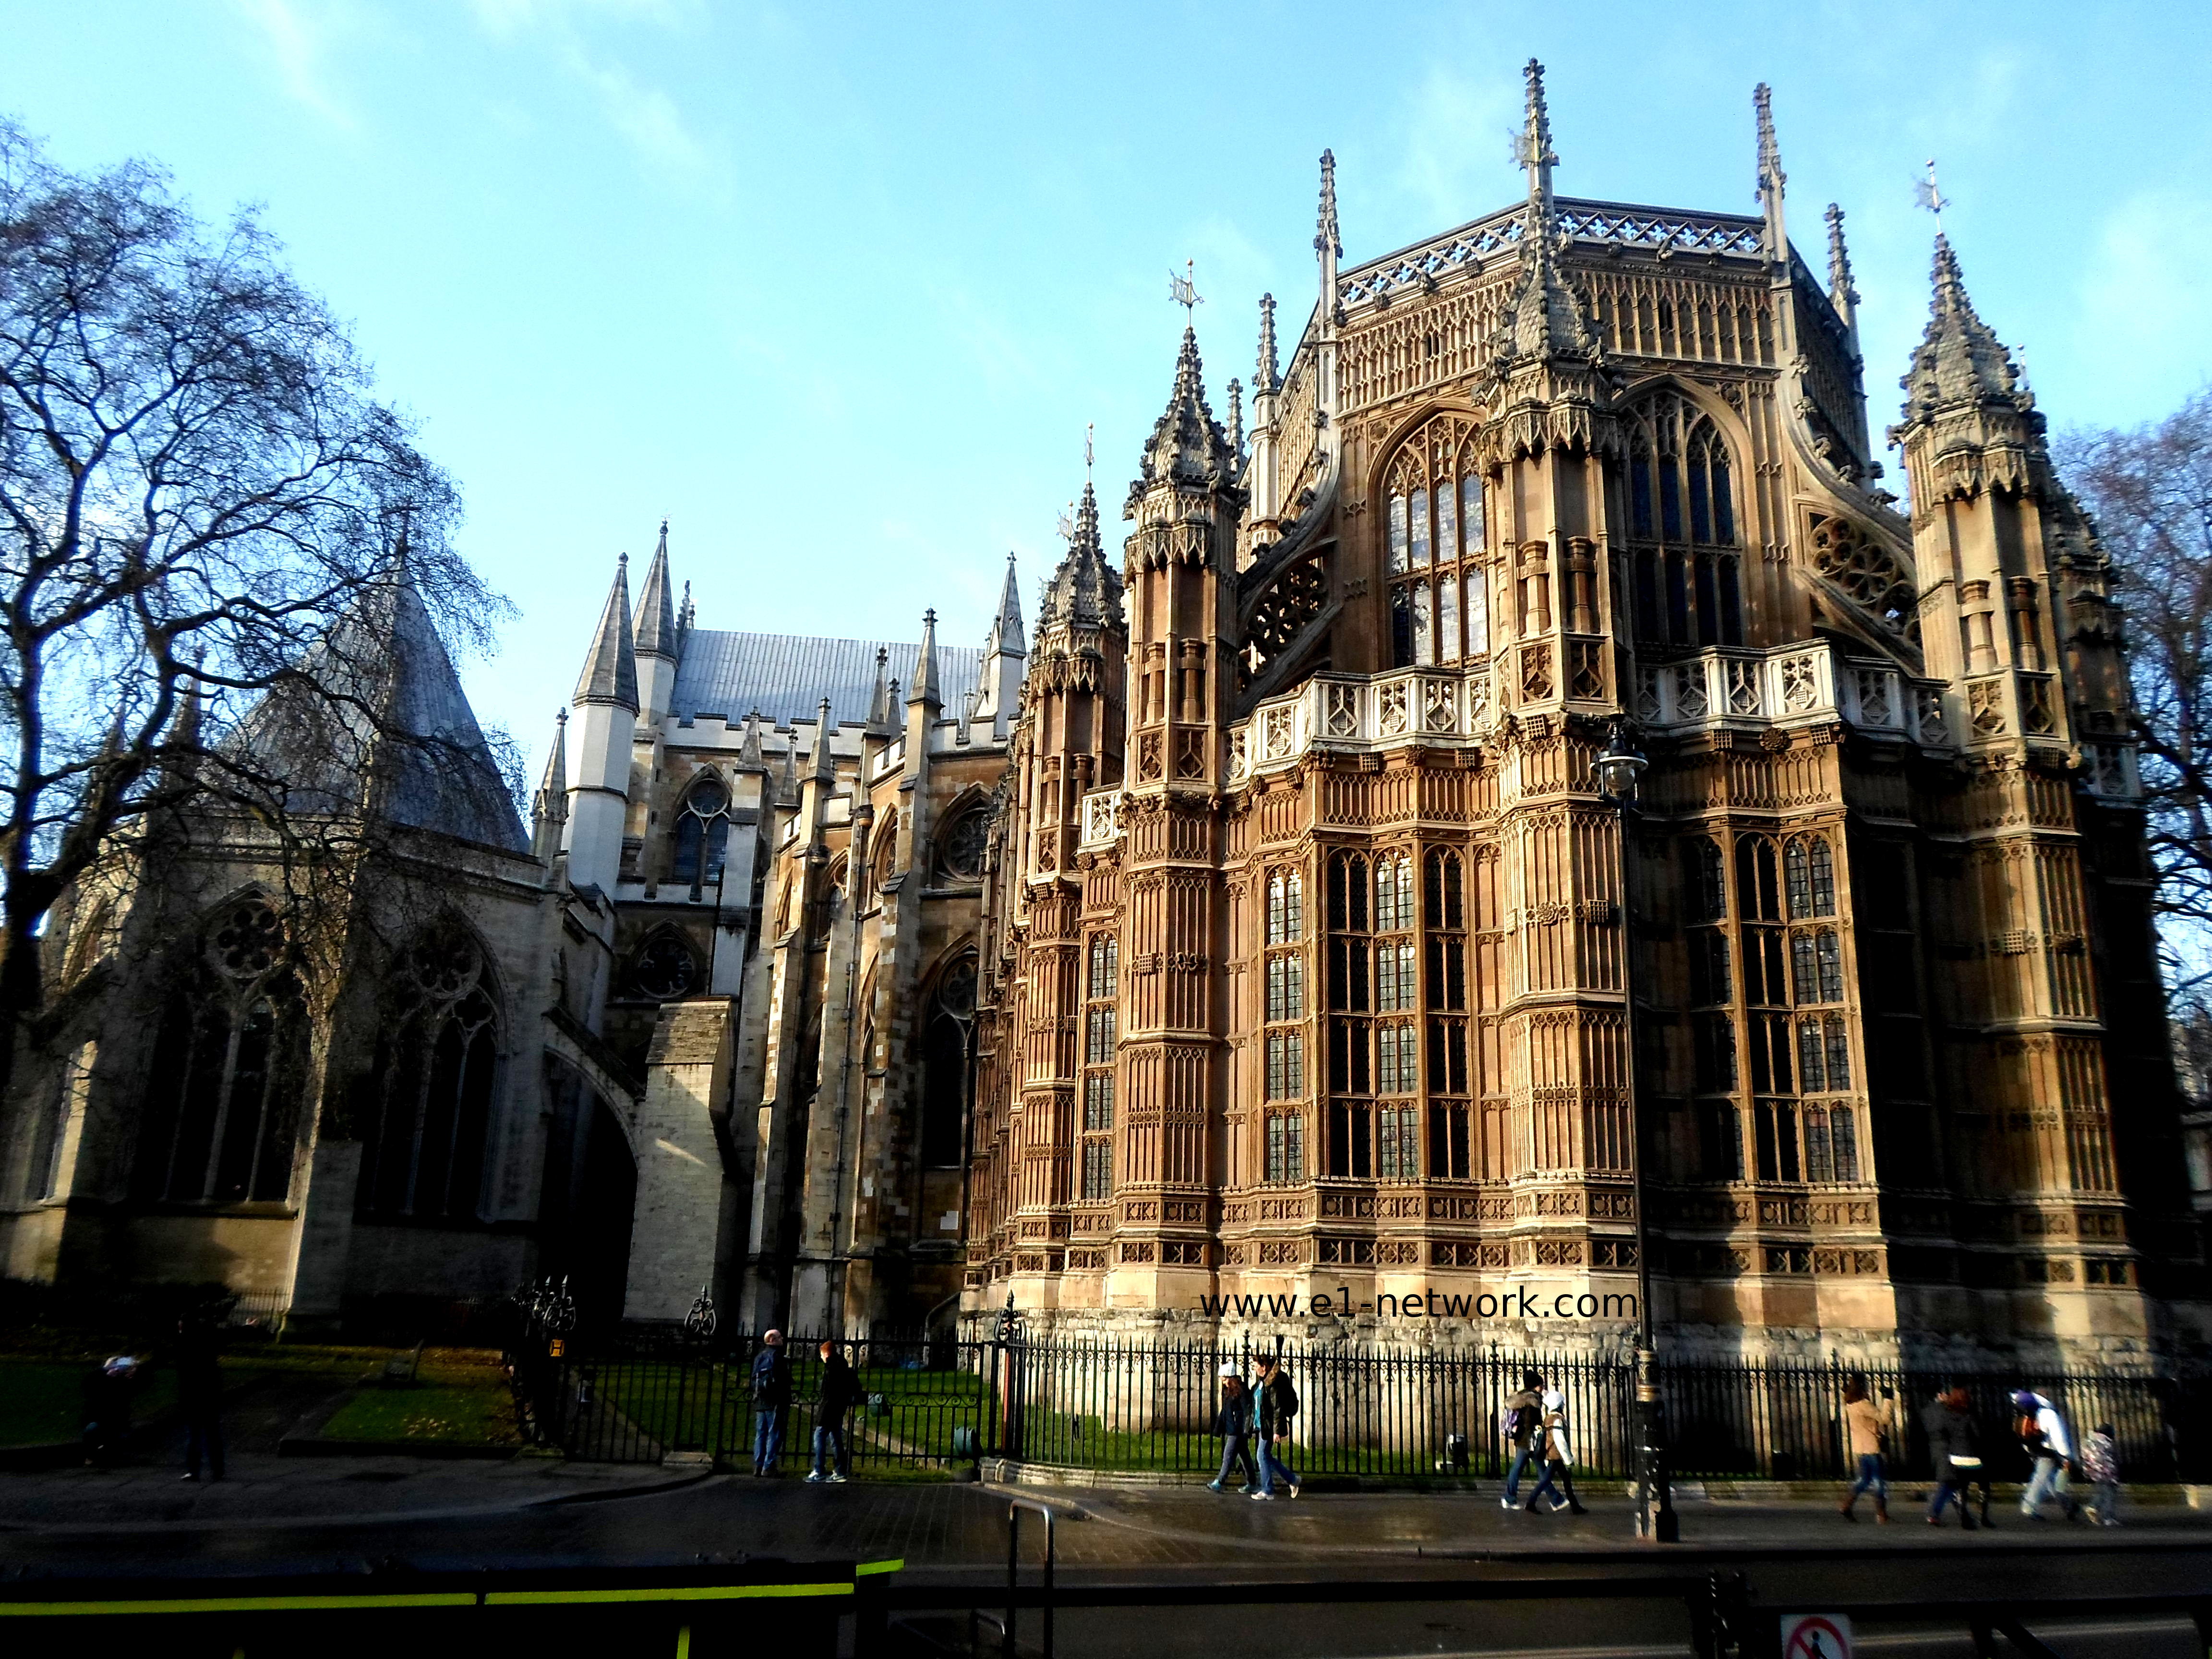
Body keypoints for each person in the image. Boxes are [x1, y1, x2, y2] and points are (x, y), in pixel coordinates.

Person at [1922, 1384, 1984, 1529]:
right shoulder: (1945, 1411)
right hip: (1949, 1451)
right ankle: (1935, 1513)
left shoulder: (1927, 1410)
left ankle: (1964, 1517)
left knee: (1951, 1485)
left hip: (1936, 1450)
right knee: (1949, 1484)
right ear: (1941, 1395)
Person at [2013, 1388, 2080, 1521]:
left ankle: (2069, 1506)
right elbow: (2059, 1437)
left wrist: (2029, 1451)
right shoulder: (2049, 1414)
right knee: (2041, 1480)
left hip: (2035, 1450)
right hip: (2050, 1453)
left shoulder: (2025, 1414)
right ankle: (2028, 1507)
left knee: (2051, 1482)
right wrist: (2066, 1455)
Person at [175, 1314, 225, 1483]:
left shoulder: (183, 1345)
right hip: (210, 1396)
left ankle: (193, 1471)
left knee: (194, 1436)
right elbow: (228, 1335)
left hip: (192, 1397)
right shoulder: (208, 1344)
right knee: (213, 1435)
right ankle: (218, 1470)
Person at [1524, 1389, 1587, 1515]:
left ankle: (1575, 1507)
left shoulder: (1549, 1418)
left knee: (1565, 1479)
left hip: (1552, 1455)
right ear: (1558, 1405)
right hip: (1556, 1456)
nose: (1563, 1406)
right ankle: (1531, 1503)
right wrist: (1568, 1459)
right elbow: (1560, 1441)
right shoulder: (1557, 1419)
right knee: (1546, 1481)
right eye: (1562, 1404)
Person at [1838, 1374, 1889, 1523]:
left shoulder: (1851, 1404)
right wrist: (1888, 1400)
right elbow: (1884, 1419)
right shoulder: (1864, 1404)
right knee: (1878, 1481)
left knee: (1864, 1479)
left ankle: (1846, 1505)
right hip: (1871, 1446)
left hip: (1860, 1447)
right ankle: (1881, 1514)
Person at [1250, 1353, 1301, 1500]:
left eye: (1256, 1366)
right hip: (1262, 1425)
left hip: (1269, 1426)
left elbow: (1277, 1408)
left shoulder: (1273, 1385)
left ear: (1264, 1367)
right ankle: (1292, 1480)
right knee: (1266, 1457)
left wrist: (1277, 1431)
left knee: (1262, 1456)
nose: (1254, 1369)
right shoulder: (1262, 1383)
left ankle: (1268, 1490)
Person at [809, 1340, 859, 1484]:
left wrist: (821, 1412)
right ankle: (840, 1471)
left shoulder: (830, 1370)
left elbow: (827, 1395)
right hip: (840, 1408)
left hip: (829, 1409)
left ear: (826, 1354)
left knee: (819, 1436)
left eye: (822, 1355)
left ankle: (819, 1470)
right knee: (836, 1439)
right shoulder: (843, 1367)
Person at [1499, 1370, 1545, 1512]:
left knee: (1539, 1469)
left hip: (1523, 1439)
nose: (1542, 1388)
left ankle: (1557, 1499)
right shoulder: (1532, 1400)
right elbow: (1531, 1421)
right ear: (1535, 1386)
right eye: (1541, 1385)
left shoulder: (1521, 1399)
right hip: (1528, 1440)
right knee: (1523, 1468)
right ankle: (1509, 1498)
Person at [1208, 1364, 1257, 1493]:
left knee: (1228, 1455)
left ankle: (1220, 1481)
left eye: (1225, 1379)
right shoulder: (1229, 1392)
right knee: (1245, 1457)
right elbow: (1225, 1411)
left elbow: (1248, 1410)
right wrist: (1218, 1428)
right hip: (1233, 1428)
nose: (1223, 1383)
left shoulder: (1241, 1390)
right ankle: (1252, 1482)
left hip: (1238, 1429)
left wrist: (1247, 1429)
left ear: (1231, 1378)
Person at [749, 1329, 790, 1477]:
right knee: (775, 1433)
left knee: (761, 1433)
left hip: (761, 1400)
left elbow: (753, 1378)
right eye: (780, 1337)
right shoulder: (777, 1357)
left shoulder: (760, 1356)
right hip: (776, 1401)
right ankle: (769, 1465)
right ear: (772, 1339)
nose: (782, 1339)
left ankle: (758, 1465)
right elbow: (782, 1381)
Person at [2079, 1421, 2121, 1527]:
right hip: (2107, 1472)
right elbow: (2110, 1459)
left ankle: (2093, 1507)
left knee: (2102, 1492)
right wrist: (2115, 1473)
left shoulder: (2089, 1442)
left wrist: (2087, 1472)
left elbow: (2086, 1458)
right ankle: (2108, 1517)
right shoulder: (2106, 1443)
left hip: (2094, 1471)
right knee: (2110, 1494)